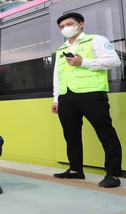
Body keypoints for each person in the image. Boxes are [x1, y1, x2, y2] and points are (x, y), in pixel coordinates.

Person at [51, 12, 122, 188]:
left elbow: (114, 61)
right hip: (67, 96)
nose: (65, 28)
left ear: (80, 24)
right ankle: (75, 170)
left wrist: (84, 62)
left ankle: (113, 174)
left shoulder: (95, 40)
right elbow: (57, 75)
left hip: (92, 94)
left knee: (105, 132)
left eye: (69, 24)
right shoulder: (61, 49)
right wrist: (56, 98)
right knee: (71, 134)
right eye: (61, 26)